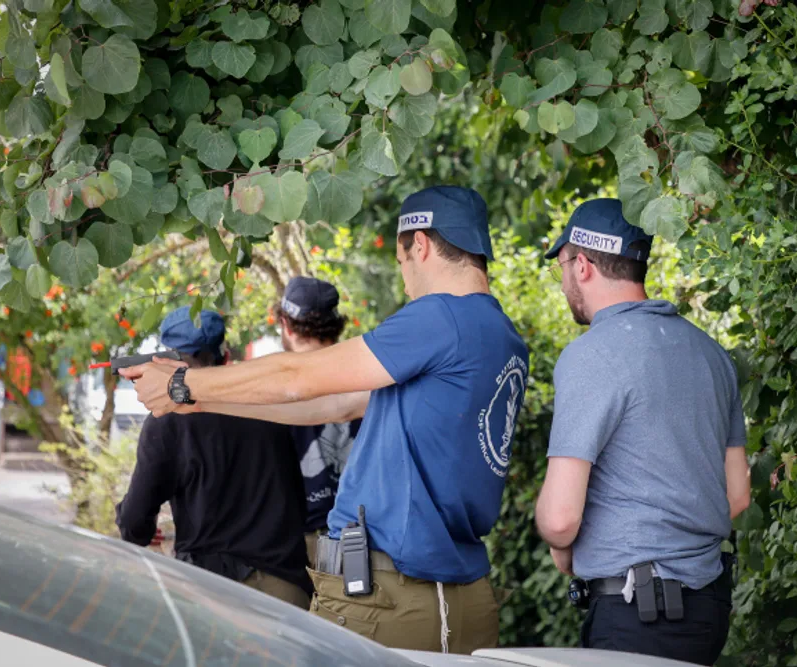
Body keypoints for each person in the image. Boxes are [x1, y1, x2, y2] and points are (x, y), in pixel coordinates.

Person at [119, 186, 530, 655]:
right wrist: (196, 401)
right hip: (450, 588)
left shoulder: (439, 318)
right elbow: (335, 404)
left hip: (393, 595)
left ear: (420, 244)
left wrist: (182, 384)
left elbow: (299, 376)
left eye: (401, 263)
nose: (406, 281)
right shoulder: (499, 333)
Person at [534, 198, 752, 666]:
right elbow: (736, 495)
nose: (565, 282)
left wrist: (562, 546)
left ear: (584, 265)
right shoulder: (711, 354)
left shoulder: (592, 354)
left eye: (564, 267)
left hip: (637, 617)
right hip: (707, 611)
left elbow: (559, 519)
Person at [115, 306, 312, 608]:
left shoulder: (168, 421)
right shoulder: (267, 405)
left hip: (210, 596)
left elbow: (134, 522)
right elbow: (299, 499)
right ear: (226, 358)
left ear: (165, 363)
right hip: (285, 592)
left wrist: (139, 527)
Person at [275, 276, 361, 566]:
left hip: (292, 544)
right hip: (361, 537)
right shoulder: (368, 374)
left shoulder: (269, 385)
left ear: (285, 324)